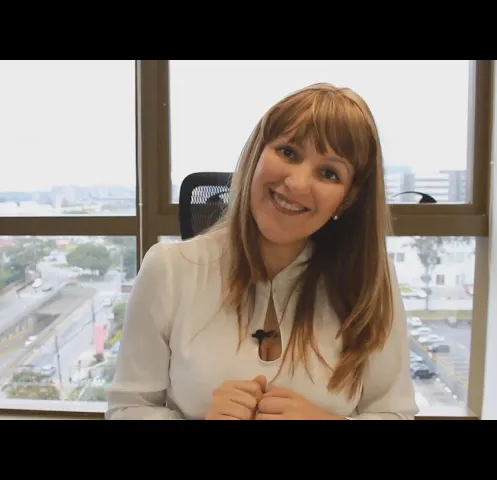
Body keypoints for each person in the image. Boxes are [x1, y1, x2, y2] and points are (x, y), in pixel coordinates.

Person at [106, 83, 419, 420]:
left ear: (348, 198)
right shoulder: (169, 268)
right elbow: (127, 408)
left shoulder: (369, 280)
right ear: (256, 153)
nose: (297, 184)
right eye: (288, 152)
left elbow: (394, 413)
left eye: (328, 173)